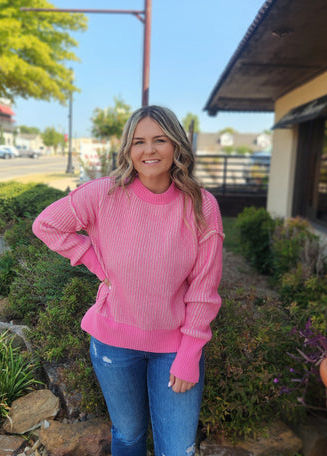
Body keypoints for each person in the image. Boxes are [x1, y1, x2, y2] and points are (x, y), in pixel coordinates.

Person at [33, 105, 224, 456]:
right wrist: (96, 261)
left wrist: (190, 353)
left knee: (178, 449)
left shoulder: (201, 205)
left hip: (175, 348)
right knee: (128, 436)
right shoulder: (103, 193)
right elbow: (46, 225)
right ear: (128, 149)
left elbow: (204, 289)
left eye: (159, 140)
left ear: (177, 145)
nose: (148, 150)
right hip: (114, 345)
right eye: (138, 142)